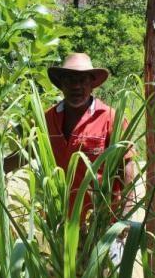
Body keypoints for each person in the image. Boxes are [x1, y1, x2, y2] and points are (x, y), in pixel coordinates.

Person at [43, 53, 136, 224]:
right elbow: (30, 152)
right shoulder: (48, 118)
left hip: (101, 223)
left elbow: (127, 167)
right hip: (62, 222)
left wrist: (125, 215)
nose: (76, 86)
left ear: (92, 84)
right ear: (61, 84)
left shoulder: (111, 118)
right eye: (69, 80)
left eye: (83, 80)